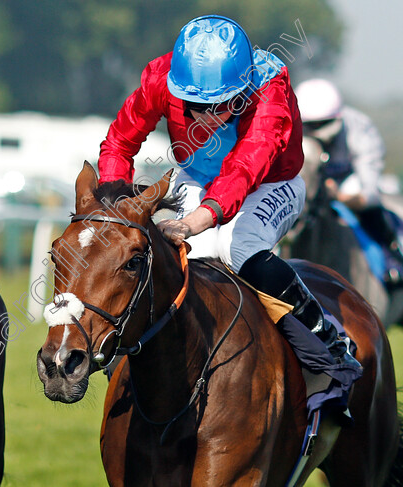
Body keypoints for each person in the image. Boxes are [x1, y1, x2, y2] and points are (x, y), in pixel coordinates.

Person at [98, 15, 361, 409]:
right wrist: (116, 206)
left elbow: (244, 169)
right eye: (194, 105)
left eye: (222, 104)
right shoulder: (159, 76)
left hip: (272, 182)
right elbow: (119, 143)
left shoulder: (270, 88)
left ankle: (327, 342)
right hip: (198, 177)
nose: (206, 115)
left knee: (237, 248)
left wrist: (194, 221)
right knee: (184, 260)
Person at [295, 78, 403, 285]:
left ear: (337, 119)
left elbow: (369, 194)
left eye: (322, 124)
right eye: (310, 125)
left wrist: (339, 196)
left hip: (347, 180)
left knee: (363, 199)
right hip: (312, 180)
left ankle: (392, 257)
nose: (316, 131)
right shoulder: (291, 128)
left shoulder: (360, 131)